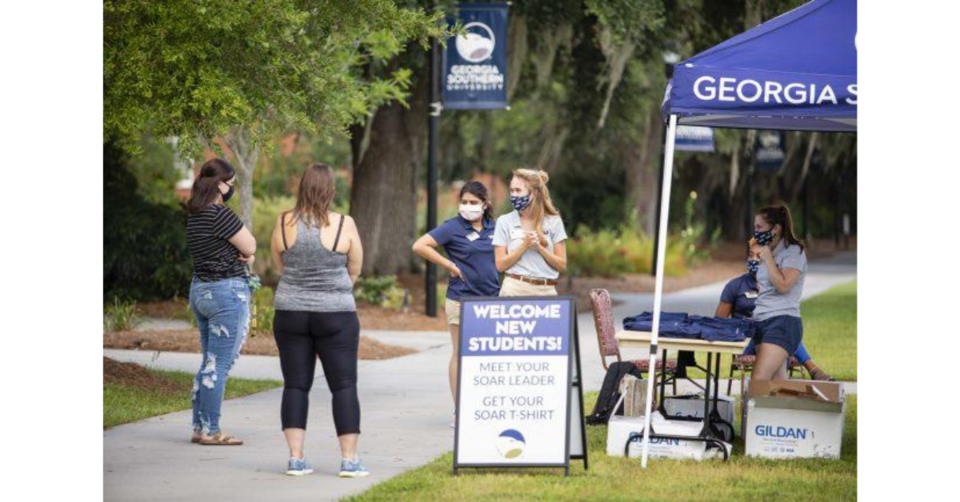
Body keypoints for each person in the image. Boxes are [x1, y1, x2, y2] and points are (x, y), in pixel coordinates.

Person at [270, 163, 367, 477]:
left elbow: (278, 265)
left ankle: (296, 459)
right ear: (331, 190)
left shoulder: (284, 221)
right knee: (344, 386)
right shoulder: (344, 224)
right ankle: (350, 461)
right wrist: (334, 289)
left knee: (296, 385)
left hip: (290, 312)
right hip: (336, 314)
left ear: (302, 188)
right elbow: (356, 268)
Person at [412, 181, 500, 422]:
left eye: (473, 202)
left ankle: (485, 405)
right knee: (460, 353)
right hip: (461, 298)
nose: (468, 206)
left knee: (489, 356)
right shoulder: (453, 227)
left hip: (492, 300)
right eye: (464, 202)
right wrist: (448, 265)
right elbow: (420, 245)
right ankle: (460, 409)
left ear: (485, 204)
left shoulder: (496, 227)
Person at [185, 158, 257, 446]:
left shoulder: (195, 215)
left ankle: (199, 427)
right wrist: (249, 257)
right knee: (219, 365)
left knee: (208, 362)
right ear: (219, 184)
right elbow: (249, 246)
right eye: (231, 183)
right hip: (226, 293)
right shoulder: (220, 214)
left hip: (200, 290)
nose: (232, 188)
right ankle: (212, 430)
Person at [715, 242, 833, 381]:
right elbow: (719, 321)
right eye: (750, 256)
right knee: (776, 332)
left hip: (772, 334)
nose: (754, 260)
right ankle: (812, 368)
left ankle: (788, 376)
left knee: (782, 328)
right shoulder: (735, 286)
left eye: (759, 256)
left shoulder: (776, 286)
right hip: (747, 337)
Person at [748, 204, 808, 381]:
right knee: (777, 385)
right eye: (754, 227)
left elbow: (783, 286)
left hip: (782, 321)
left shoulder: (794, 251)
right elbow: (762, 287)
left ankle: (749, 409)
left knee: (758, 380)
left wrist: (767, 259)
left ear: (775, 229)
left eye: (759, 227)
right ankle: (786, 409)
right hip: (761, 321)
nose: (755, 232)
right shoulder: (767, 250)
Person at [493, 168, 567, 296]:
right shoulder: (503, 221)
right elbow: (500, 265)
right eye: (511, 191)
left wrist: (540, 248)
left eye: (518, 190)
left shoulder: (554, 222)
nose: (513, 195)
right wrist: (524, 246)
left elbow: (561, 265)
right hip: (514, 289)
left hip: (546, 291)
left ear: (534, 193)